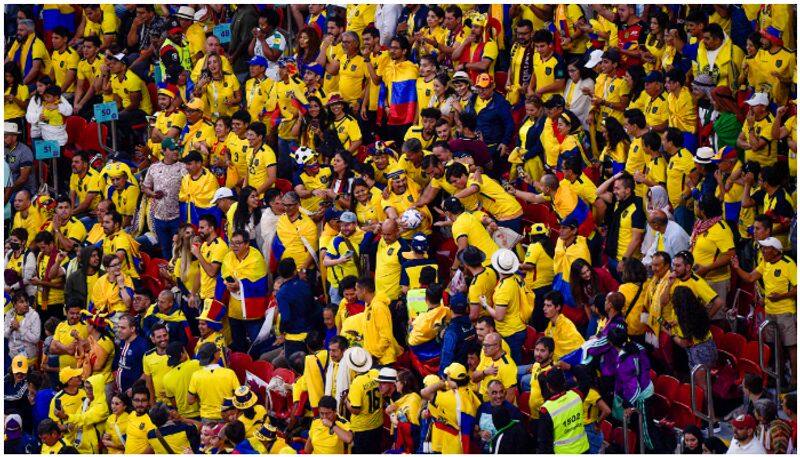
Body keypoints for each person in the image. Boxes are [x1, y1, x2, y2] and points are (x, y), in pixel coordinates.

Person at [732, 237, 797, 386]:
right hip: (770, 312)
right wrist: (737, 267)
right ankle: (779, 377)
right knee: (776, 346)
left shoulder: (789, 264)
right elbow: (749, 278)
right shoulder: (765, 263)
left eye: (766, 248)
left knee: (792, 346)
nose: (763, 250)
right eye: (762, 248)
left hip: (786, 312)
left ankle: (794, 380)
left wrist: (782, 296)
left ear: (775, 250)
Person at [420, 362, 482, 454]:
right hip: (465, 442)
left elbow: (424, 392)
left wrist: (443, 384)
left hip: (452, 444)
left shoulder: (448, 397)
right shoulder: (470, 393)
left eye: (447, 377)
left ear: (451, 380)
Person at [536, 368, 590, 454]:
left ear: (548, 386)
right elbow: (585, 379)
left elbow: (544, 442)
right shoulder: (576, 395)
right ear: (564, 382)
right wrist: (570, 367)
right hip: (583, 449)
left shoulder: (546, 410)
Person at [187, 342, 240, 423]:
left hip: (207, 419)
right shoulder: (229, 373)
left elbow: (190, 400)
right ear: (215, 355)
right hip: (227, 417)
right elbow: (239, 396)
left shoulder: (196, 376)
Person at [114, 314, 148, 395]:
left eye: (123, 328)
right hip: (120, 392)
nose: (119, 330)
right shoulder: (122, 341)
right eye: (118, 327)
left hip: (133, 393)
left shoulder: (142, 345)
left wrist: (134, 388)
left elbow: (147, 372)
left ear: (132, 329)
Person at [4, 293, 40, 363]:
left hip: (29, 356)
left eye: (26, 301)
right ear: (14, 304)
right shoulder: (9, 314)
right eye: (21, 302)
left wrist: (19, 329)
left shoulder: (34, 315)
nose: (26, 304)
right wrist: (11, 328)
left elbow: (35, 339)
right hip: (13, 355)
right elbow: (5, 334)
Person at [125, 386, 155, 454]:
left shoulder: (152, 420)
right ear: (132, 401)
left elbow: (153, 446)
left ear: (148, 401)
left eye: (144, 400)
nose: (140, 404)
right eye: (137, 400)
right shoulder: (131, 415)